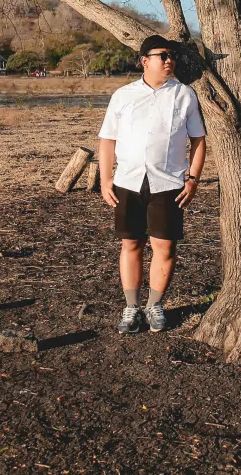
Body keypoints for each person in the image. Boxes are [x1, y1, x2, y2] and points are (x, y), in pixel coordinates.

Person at [98, 35, 206, 334]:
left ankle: (155, 305)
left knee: (164, 245)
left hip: (168, 182)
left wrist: (193, 178)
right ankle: (131, 307)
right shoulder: (123, 95)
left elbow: (198, 140)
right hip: (128, 181)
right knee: (131, 243)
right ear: (145, 60)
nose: (169, 60)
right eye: (162, 55)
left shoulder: (184, 95)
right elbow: (107, 140)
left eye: (172, 55)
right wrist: (106, 179)